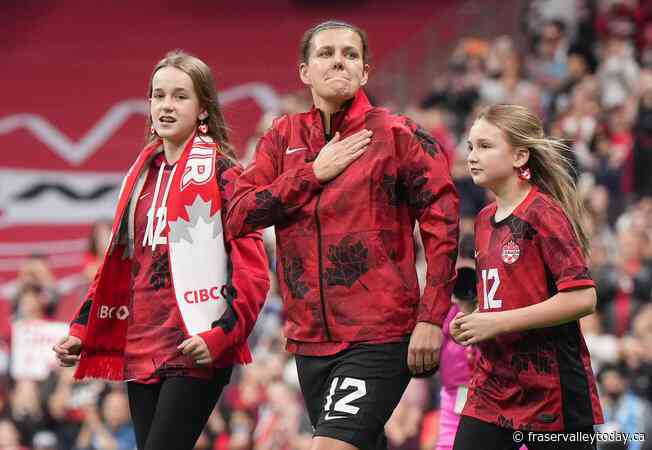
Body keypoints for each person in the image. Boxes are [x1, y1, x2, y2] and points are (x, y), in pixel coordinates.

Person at [226, 20, 459, 450]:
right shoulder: (282, 137)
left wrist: (431, 317)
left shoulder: (398, 135)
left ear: (365, 72)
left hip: (381, 334)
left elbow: (443, 225)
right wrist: (311, 174)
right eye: (326, 53)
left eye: (350, 54)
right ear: (304, 71)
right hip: (309, 340)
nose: (338, 61)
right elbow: (238, 214)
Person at [53, 50, 269, 450]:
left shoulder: (225, 172)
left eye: (180, 96)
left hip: (195, 344)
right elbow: (118, 264)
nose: (166, 105)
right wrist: (83, 328)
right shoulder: (139, 174)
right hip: (141, 344)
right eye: (158, 95)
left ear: (204, 109)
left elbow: (253, 272)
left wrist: (220, 336)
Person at [451, 104, 603, 450]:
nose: (473, 156)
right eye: (470, 146)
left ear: (520, 156)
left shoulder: (544, 213)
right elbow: (504, 297)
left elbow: (582, 297)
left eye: (486, 146)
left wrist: (499, 322)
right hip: (492, 387)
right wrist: (474, 319)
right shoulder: (483, 219)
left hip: (551, 392)